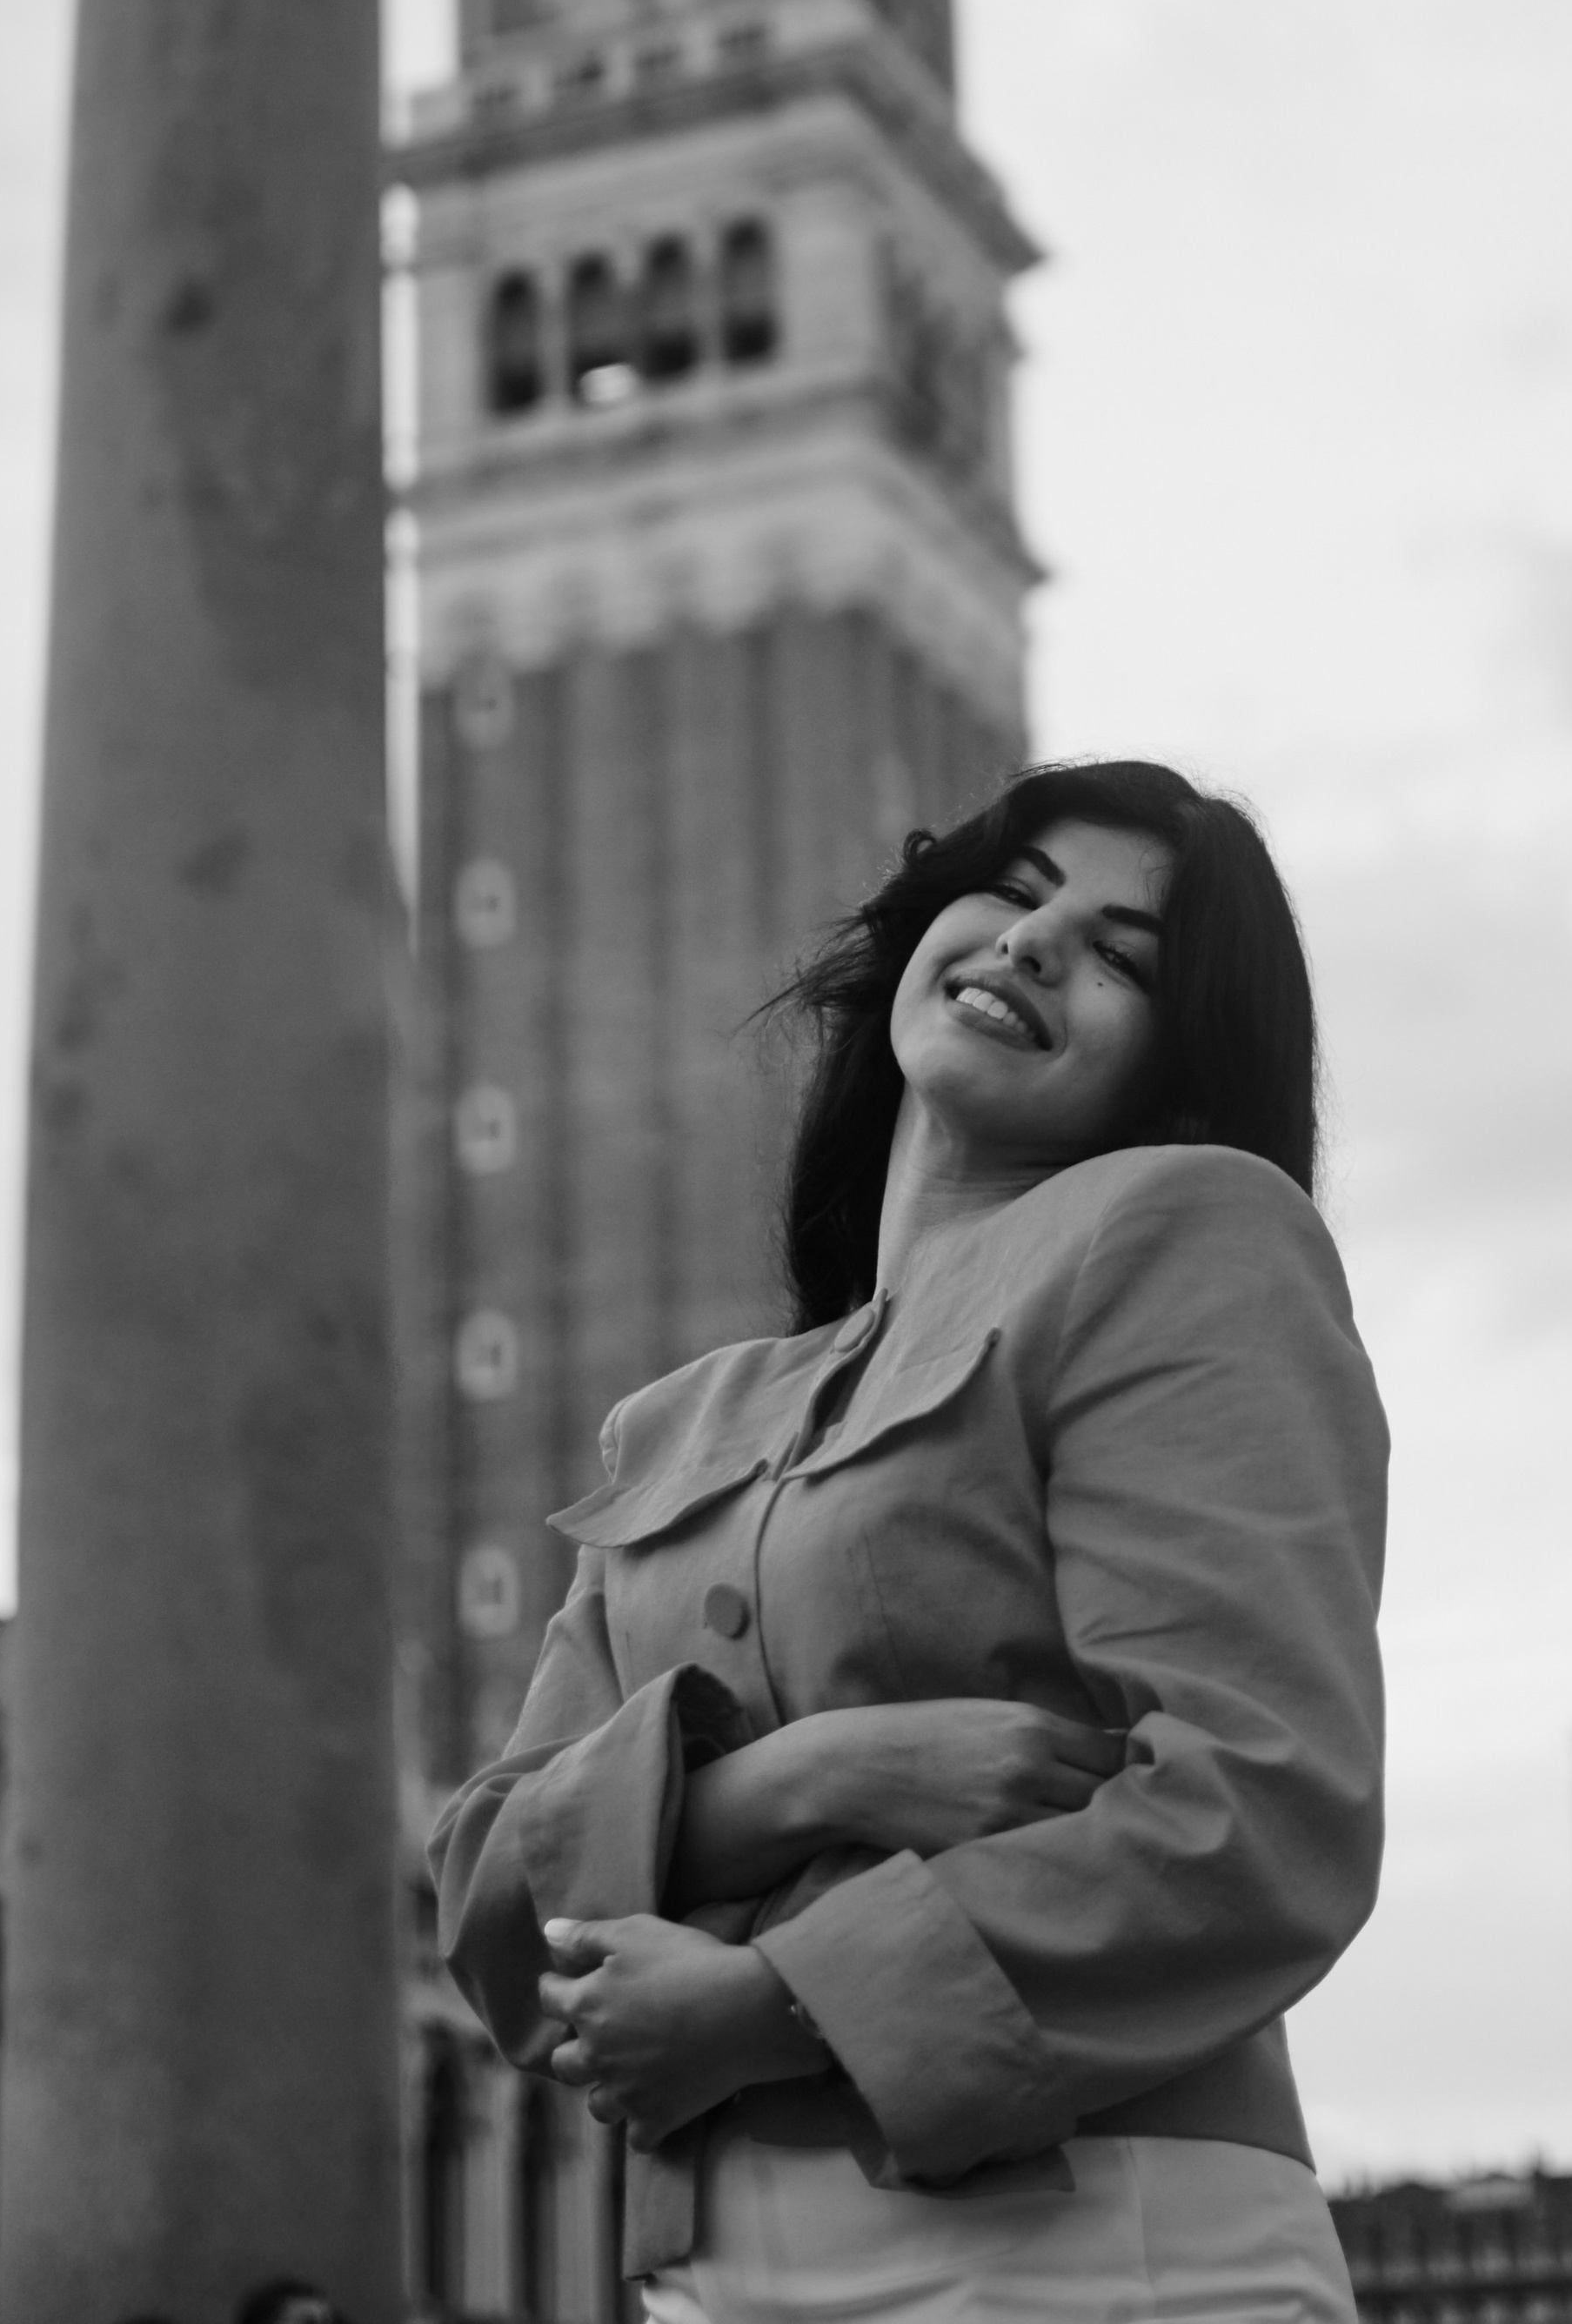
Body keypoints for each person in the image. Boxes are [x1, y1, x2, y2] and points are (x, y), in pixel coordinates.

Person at [431, 758, 1388, 2322]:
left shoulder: (1191, 1229)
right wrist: (809, 1778)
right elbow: (487, 1896)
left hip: (1096, 2249)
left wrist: (766, 2004)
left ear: (1187, 1069)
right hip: (713, 2278)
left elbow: (1262, 1818)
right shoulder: (677, 1424)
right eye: (1014, 893)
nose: (1033, 942)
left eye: (1123, 953)